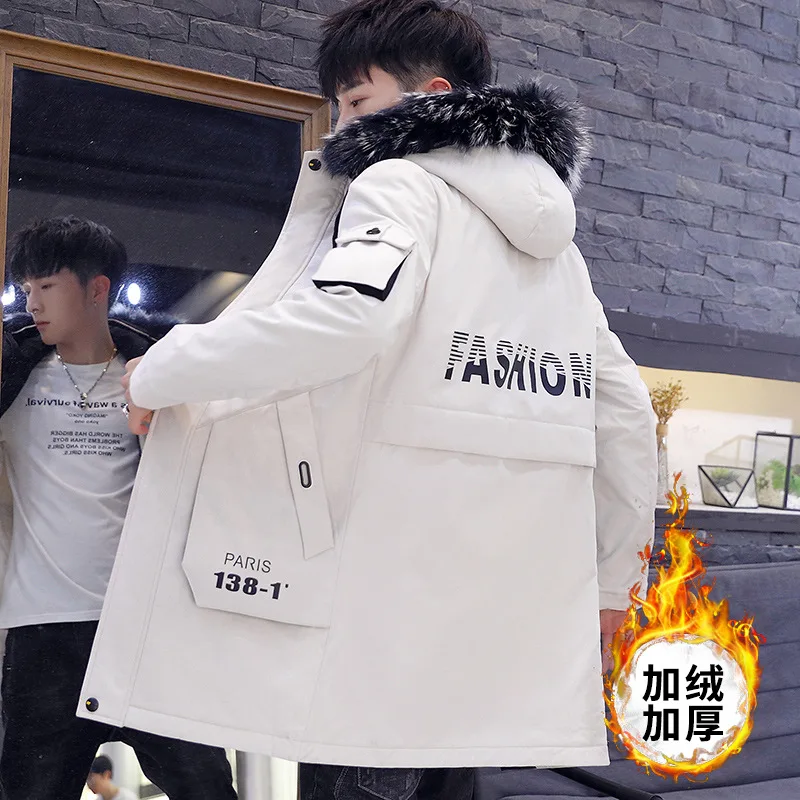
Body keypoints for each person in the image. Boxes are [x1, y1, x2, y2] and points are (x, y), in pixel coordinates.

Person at [85, 2, 657, 799]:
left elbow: (343, 321)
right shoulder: (560, 258)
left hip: (376, 640)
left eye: (356, 100)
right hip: (478, 653)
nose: (340, 124)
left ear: (431, 95)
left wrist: (163, 369)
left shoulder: (400, 183)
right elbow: (627, 417)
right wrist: (615, 583)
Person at [0, 217, 238, 800]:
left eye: (47, 286)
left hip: (146, 626)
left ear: (97, 288)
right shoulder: (13, 379)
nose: (32, 303)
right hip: (43, 631)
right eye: (27, 288)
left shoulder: (154, 382)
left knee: (210, 788)